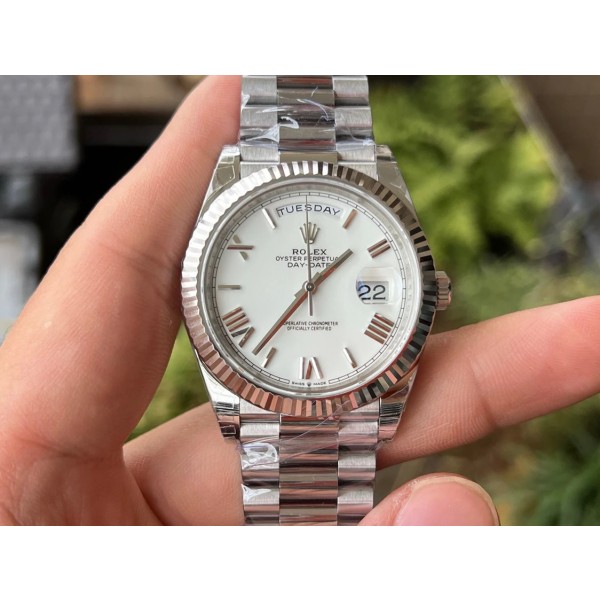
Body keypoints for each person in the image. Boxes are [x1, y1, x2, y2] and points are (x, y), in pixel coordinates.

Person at [0, 75, 598, 526]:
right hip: (296, 380)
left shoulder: (364, 173)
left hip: (326, 374)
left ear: (430, 293)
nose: (311, 291)